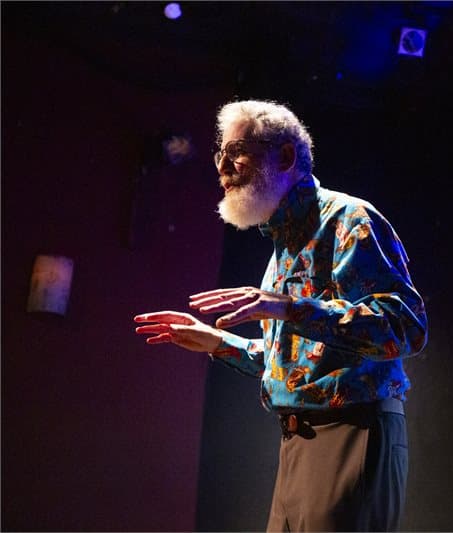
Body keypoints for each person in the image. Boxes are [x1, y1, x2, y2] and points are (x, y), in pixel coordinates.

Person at [134, 100, 428, 531]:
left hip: (351, 431)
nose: (223, 167)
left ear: (285, 156)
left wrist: (287, 308)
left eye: (235, 150)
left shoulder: (348, 220)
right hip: (298, 442)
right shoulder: (281, 251)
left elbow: (406, 327)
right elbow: (293, 362)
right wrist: (217, 342)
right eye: (219, 155)